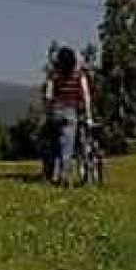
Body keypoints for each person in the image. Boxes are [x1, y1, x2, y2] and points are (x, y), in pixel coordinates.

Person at [42, 46, 94, 184]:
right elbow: (86, 96)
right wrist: (89, 116)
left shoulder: (54, 75)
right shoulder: (79, 75)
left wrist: (47, 113)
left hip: (55, 111)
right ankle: (64, 176)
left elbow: (48, 96)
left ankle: (49, 174)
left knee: (52, 144)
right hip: (71, 112)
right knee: (67, 146)